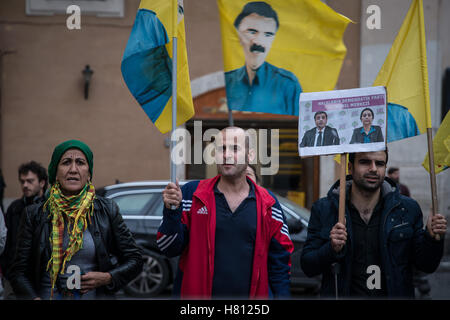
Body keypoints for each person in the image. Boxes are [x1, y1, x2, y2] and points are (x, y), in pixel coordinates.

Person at [158, 127, 294, 299]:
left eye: (235, 148)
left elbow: (280, 263)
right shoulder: (191, 194)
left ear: (250, 156)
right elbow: (168, 248)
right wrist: (172, 211)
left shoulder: (269, 203)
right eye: (222, 148)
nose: (227, 155)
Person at [300, 150, 447, 298]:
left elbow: (426, 265)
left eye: (380, 163)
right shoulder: (325, 209)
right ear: (350, 167)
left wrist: (432, 238)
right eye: (365, 162)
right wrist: (331, 249)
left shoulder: (407, 209)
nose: (373, 169)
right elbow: (308, 266)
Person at [9, 140, 143, 300]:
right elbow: (18, 271)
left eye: (80, 163)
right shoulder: (34, 214)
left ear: (89, 172)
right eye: (66, 162)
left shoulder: (107, 209)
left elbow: (135, 259)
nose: (73, 169)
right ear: (55, 172)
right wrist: (33, 298)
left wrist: (108, 277)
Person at [225, 1, 302, 116]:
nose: (258, 41)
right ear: (237, 35)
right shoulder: (226, 82)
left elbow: (300, 129)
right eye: (252, 32)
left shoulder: (287, 84)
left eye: (268, 35)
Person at [0, 161, 48, 299]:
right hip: (14, 280)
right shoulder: (14, 208)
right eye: (22, 181)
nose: (25, 185)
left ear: (42, 183)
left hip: (41, 281)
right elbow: (7, 244)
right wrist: (9, 272)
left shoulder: (50, 208)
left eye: (30, 181)